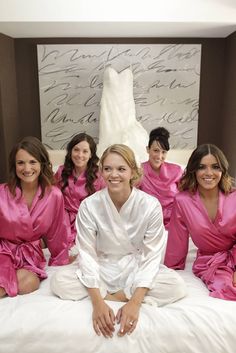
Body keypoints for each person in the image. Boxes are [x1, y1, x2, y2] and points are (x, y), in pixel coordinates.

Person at [51, 144, 187, 338]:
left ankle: (122, 295)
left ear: (132, 171)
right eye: (108, 169)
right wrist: (98, 303)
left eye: (121, 169)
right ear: (101, 172)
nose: (113, 174)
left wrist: (134, 303)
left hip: (135, 264)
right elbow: (87, 255)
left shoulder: (150, 205)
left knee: (176, 285)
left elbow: (151, 257)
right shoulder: (89, 205)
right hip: (102, 264)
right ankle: (112, 294)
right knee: (59, 282)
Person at [0, 136, 69, 298]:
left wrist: (61, 258)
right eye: (20, 163)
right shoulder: (2, 193)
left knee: (29, 283)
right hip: (3, 251)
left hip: (31, 255)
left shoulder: (54, 195)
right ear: (14, 166)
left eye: (32, 162)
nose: (27, 168)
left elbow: (57, 232)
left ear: (42, 164)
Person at [164, 143, 236, 300]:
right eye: (202, 167)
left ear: (222, 170)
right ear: (194, 170)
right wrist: (169, 272)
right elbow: (177, 242)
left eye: (215, 167)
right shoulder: (183, 201)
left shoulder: (234, 196)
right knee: (227, 289)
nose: (209, 173)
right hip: (210, 262)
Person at [54, 133, 105, 248]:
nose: (80, 155)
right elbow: (53, 199)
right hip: (64, 220)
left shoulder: (99, 175)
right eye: (76, 150)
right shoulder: (61, 171)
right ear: (70, 151)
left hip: (90, 220)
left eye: (85, 151)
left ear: (91, 154)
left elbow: (104, 204)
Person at [139, 127, 183, 229]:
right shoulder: (139, 171)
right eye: (156, 150)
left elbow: (188, 196)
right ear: (147, 149)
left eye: (163, 152)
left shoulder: (177, 171)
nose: (159, 156)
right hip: (148, 221)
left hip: (175, 220)